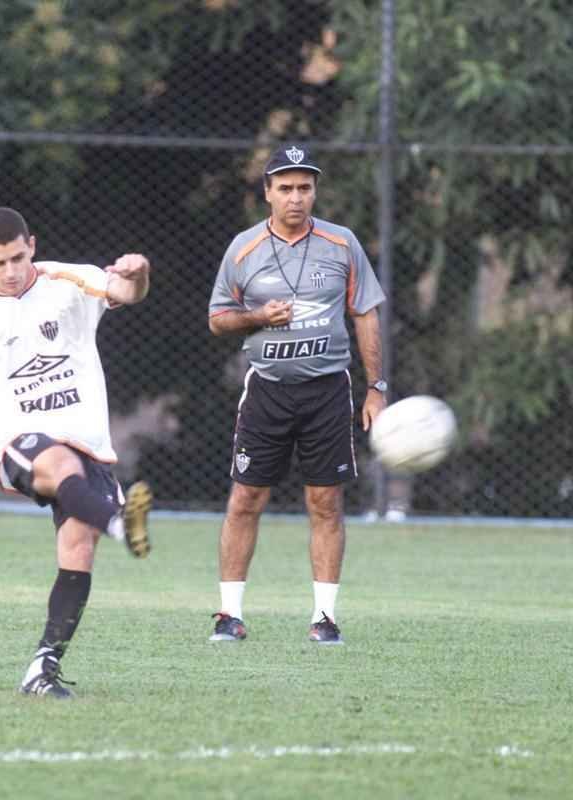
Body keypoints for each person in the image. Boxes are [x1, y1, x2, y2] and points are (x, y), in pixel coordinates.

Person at [0, 207, 153, 699]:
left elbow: (125, 293)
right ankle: (119, 521)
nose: (10, 272)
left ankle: (42, 667)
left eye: (17, 258)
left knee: (78, 551)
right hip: (23, 442)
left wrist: (140, 274)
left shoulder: (69, 281)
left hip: (88, 441)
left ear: (32, 245)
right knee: (59, 465)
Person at [206, 144, 385, 646]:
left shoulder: (341, 243)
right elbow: (218, 320)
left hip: (328, 390)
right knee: (245, 498)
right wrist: (258, 317)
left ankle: (324, 618)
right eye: (285, 187)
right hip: (267, 391)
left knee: (326, 502)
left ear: (315, 191)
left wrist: (377, 388)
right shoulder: (243, 249)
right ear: (267, 193)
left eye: (304, 187)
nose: (296, 197)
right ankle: (229, 614)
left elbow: (365, 313)